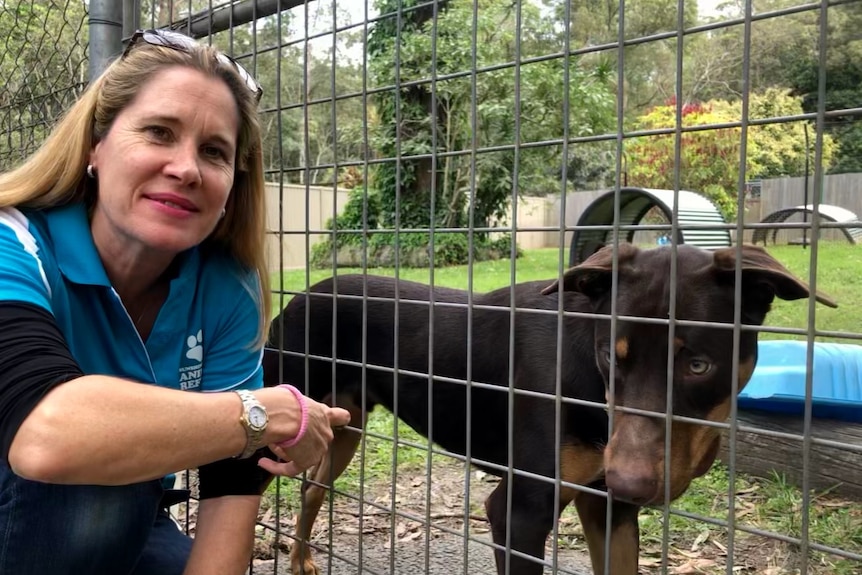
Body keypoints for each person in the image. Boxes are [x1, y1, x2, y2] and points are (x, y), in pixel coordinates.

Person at [0, 29, 350, 575]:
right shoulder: (12, 241)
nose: (186, 169)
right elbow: (45, 439)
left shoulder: (227, 286)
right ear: (97, 145)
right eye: (159, 132)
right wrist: (260, 411)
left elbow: (232, 482)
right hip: (54, 500)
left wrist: (248, 427)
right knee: (100, 462)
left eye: (214, 152)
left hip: (127, 517)